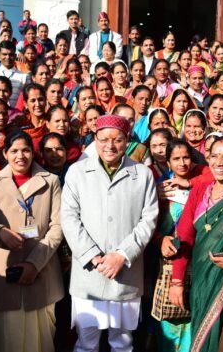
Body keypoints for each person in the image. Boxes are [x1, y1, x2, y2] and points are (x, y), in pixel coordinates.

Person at [61, 115, 158, 352]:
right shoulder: (77, 172)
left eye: (117, 140)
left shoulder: (142, 174)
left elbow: (149, 219)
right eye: (104, 139)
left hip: (125, 273)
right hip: (89, 274)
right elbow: (69, 218)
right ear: (95, 139)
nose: (110, 146)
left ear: (127, 141)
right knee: (86, 343)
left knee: (122, 343)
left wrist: (122, 255)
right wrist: (93, 256)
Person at [0, 131, 63, 352]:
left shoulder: (51, 181)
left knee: (41, 338)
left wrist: (34, 263)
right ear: (5, 154)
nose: (20, 156)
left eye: (25, 150)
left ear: (33, 153)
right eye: (14, 151)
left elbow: (58, 226)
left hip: (42, 269)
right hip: (4, 268)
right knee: (4, 337)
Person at [170, 136, 223, 352]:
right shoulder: (200, 190)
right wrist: (177, 281)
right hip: (200, 280)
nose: (219, 163)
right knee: (200, 335)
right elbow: (184, 237)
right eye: (214, 156)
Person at [150, 138, 200, 352]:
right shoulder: (160, 188)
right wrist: (160, 239)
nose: (182, 163)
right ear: (168, 162)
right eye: (176, 159)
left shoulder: (202, 184)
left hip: (196, 260)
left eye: (186, 157)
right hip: (166, 262)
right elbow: (145, 224)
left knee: (192, 316)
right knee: (169, 316)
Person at [0, 40, 29, 108]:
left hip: (16, 113)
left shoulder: (24, 77)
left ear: (15, 56)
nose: (8, 57)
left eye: (11, 54)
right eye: (4, 54)